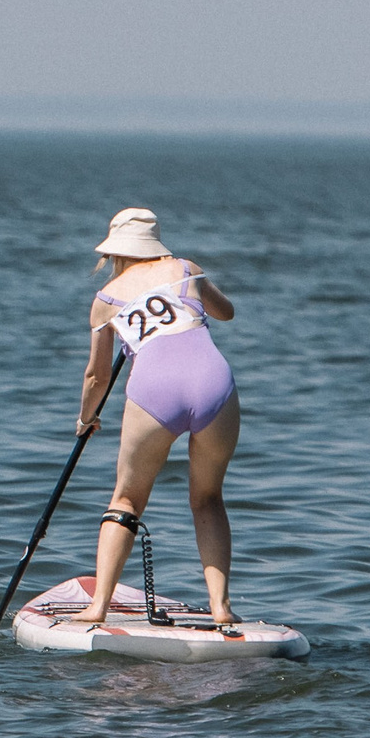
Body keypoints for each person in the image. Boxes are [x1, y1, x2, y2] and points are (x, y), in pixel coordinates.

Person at [69, 207, 242, 625]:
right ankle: (221, 608)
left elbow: (97, 375)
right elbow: (226, 312)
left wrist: (85, 419)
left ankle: (98, 606)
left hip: (154, 391)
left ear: (115, 251)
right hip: (214, 384)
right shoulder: (186, 268)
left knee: (126, 500)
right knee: (208, 497)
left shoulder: (106, 298)